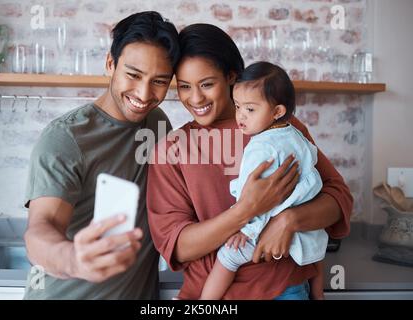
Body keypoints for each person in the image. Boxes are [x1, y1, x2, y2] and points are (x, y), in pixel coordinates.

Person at [147, 24, 353, 300]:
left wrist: (288, 220)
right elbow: (178, 246)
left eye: (207, 84)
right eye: (184, 87)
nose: (195, 98)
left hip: (285, 288)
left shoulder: (281, 128)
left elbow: (339, 198)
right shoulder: (171, 150)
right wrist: (247, 210)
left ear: (231, 76)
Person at [23, 11, 180, 299]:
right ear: (110, 64)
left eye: (159, 81)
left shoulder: (158, 123)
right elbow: (40, 230)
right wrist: (74, 259)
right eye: (133, 75)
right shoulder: (66, 138)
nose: (144, 94)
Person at [200, 61, 327, 300]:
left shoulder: (261, 147)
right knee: (317, 253)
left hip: (267, 230)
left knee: (227, 256)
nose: (240, 117)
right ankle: (318, 295)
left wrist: (247, 231)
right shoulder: (297, 135)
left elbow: (257, 199)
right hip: (305, 229)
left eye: (250, 109)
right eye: (237, 107)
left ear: (277, 111)